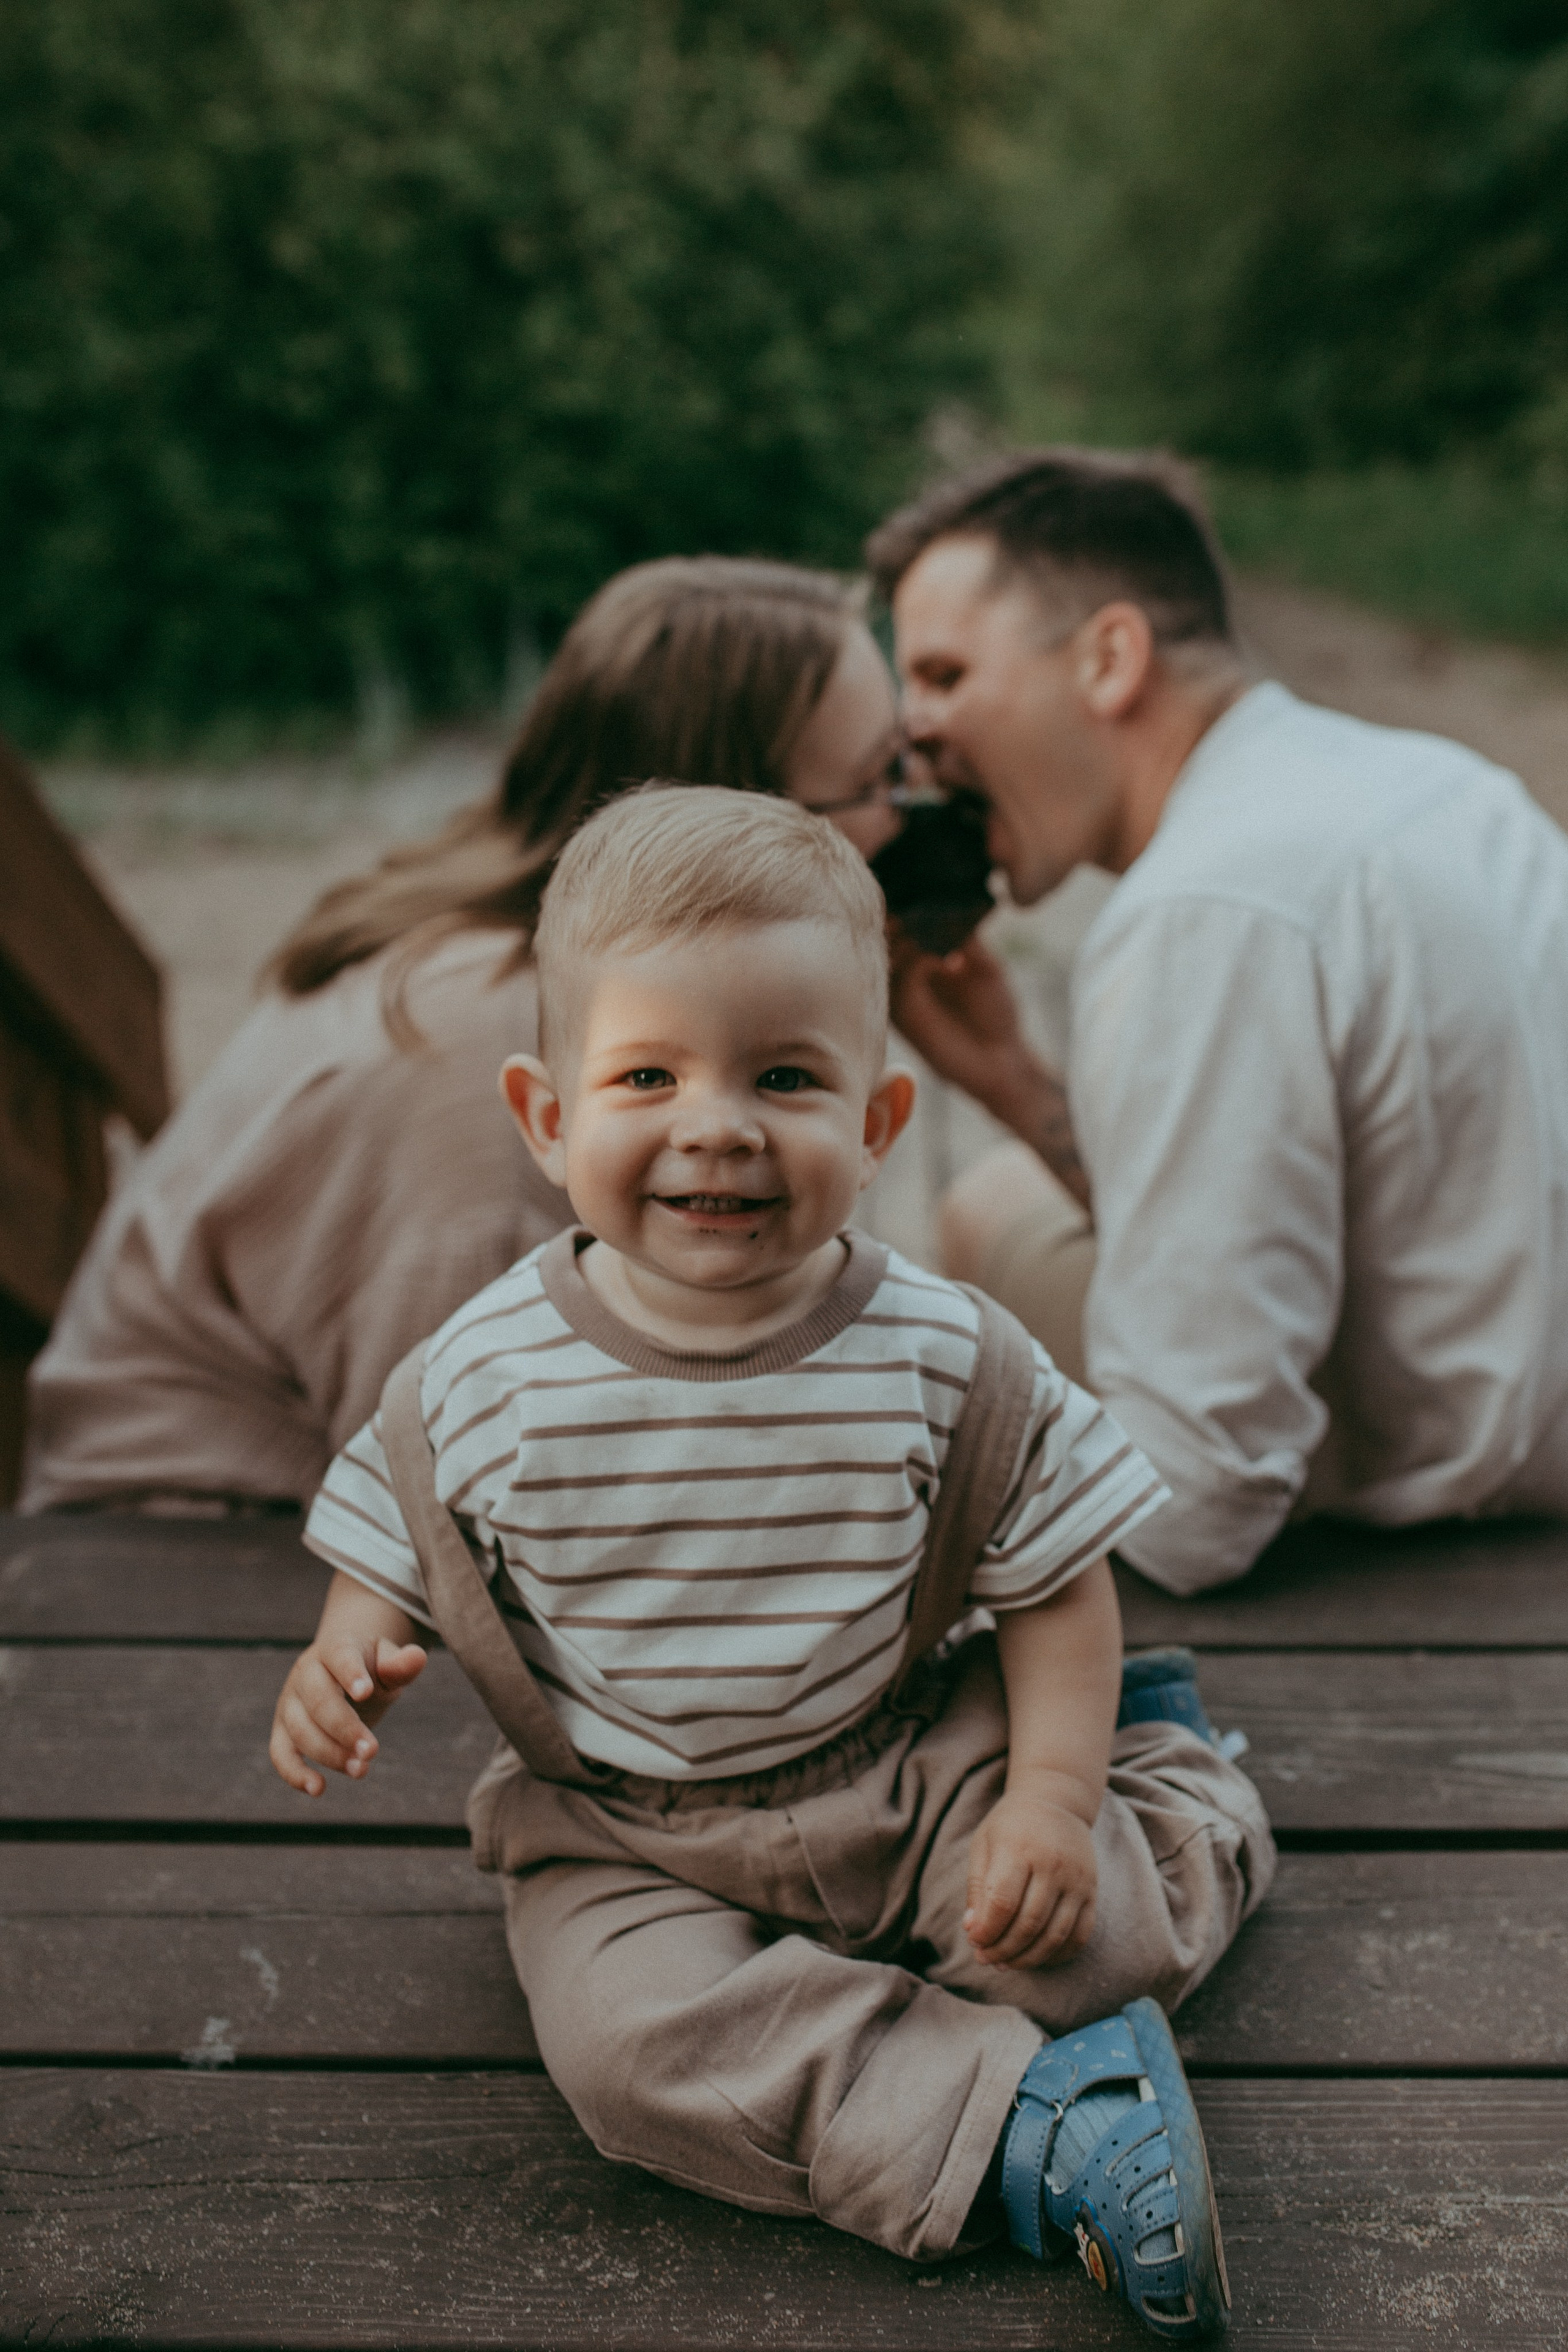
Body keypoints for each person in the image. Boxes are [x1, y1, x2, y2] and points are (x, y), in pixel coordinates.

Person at [270, 786, 1273, 2342]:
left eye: (784, 1075)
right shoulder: (484, 1375)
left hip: (902, 1752)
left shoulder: (945, 1355)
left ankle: (1171, 1785)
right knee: (624, 2055)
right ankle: (1044, 2137)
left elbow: (1055, 1579)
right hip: (625, 1830)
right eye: (648, 1073)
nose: (717, 1123)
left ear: (876, 1123)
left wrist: (1050, 1801)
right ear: (549, 1117)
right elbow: (397, 1538)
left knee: (1081, 1933)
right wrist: (346, 1651)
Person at [20, 558, 908, 1513]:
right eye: (875, 780)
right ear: (737, 818)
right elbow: (457, 1476)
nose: (905, 813)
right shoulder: (479, 1049)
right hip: (189, 1546)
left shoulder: (522, 958)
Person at [869, 447, 1568, 1596]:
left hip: (1454, 1488)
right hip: (1524, 1401)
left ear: (1109, 658)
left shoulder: (1205, 908)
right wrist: (1012, 1081)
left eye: (943, 675)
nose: (916, 737)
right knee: (1008, 1186)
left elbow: (1198, 1507)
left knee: (976, 1235)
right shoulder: (1438, 779)